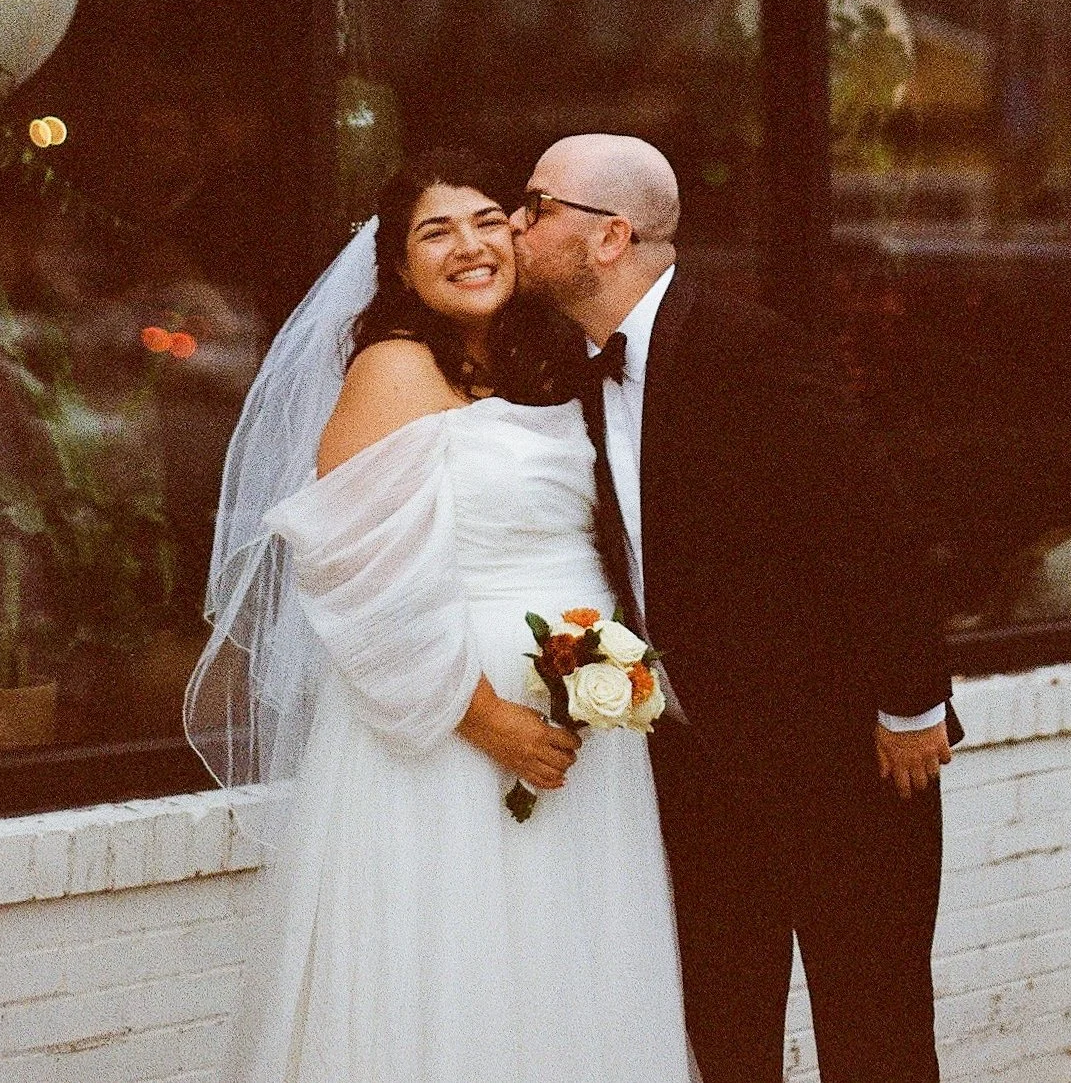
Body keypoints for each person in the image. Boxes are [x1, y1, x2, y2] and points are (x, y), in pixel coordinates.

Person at [190, 149, 694, 1083]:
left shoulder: (547, 363)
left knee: (564, 968)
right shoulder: (393, 368)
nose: (470, 246)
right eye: (436, 231)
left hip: (582, 727)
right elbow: (354, 575)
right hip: (442, 733)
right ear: (399, 267)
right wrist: (487, 718)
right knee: (455, 965)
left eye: (489, 220)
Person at [513, 132, 954, 1083]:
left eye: (537, 207)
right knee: (722, 1045)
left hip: (846, 766)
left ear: (608, 237)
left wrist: (911, 704)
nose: (516, 225)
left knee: (875, 1041)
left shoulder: (752, 350)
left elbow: (879, 524)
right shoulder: (557, 369)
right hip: (699, 775)